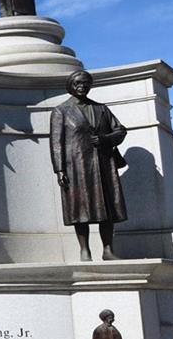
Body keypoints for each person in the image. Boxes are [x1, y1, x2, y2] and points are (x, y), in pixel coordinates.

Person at [50, 70, 127, 260]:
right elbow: (56, 142)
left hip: (103, 164)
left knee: (108, 208)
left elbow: (120, 130)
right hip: (76, 166)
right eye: (77, 83)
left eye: (85, 83)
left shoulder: (101, 109)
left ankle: (108, 249)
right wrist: (59, 170)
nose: (82, 86)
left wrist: (105, 138)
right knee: (79, 209)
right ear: (71, 86)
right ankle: (84, 250)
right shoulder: (61, 111)